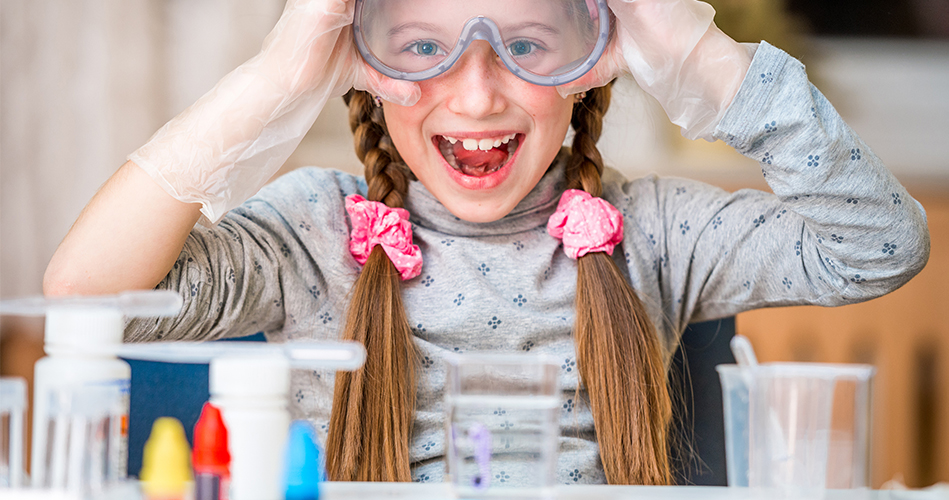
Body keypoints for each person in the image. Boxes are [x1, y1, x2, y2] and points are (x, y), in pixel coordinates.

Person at [43, 0, 929, 487]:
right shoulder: (310, 233)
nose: (473, 98)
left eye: (525, 46)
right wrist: (272, 79)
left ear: (588, 70)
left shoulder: (659, 235)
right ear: (368, 73)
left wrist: (702, 59)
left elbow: (879, 246)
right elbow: (87, 302)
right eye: (424, 46)